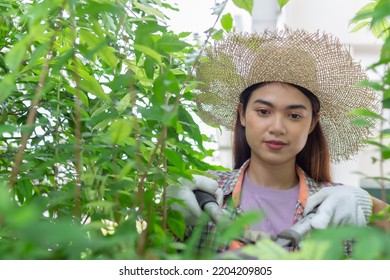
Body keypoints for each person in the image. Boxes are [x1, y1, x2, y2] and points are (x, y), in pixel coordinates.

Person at [167, 28, 389, 255]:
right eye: (263, 111)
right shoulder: (203, 194)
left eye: (294, 116)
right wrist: (164, 213)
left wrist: (371, 205)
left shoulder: (339, 205)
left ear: (312, 123)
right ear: (242, 114)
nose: (277, 128)